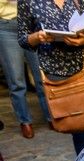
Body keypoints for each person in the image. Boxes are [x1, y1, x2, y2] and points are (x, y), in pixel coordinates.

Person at [18, 0, 84, 155]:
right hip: (59, 76)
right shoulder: (29, 2)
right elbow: (23, 39)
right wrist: (37, 37)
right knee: (81, 134)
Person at [1, 0, 50, 138]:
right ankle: (25, 121)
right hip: (7, 26)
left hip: (32, 25)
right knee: (16, 80)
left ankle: (51, 117)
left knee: (41, 76)